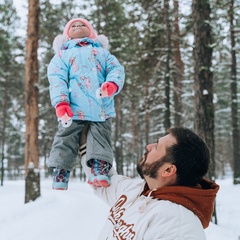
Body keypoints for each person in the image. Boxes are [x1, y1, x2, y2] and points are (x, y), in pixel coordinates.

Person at [81, 127, 219, 240]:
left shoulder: (178, 226)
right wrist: (84, 132)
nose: (149, 146)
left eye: (157, 146)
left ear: (168, 170)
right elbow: (102, 177)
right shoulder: (136, 190)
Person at [47, 18, 125, 190]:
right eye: (73, 26)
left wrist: (111, 85)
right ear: (66, 35)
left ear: (92, 32)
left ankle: (100, 168)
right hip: (73, 107)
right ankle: (61, 170)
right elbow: (57, 79)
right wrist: (61, 103)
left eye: (83, 25)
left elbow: (116, 69)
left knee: (101, 136)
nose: (78, 26)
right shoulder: (62, 55)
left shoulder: (102, 53)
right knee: (65, 137)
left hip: (100, 106)